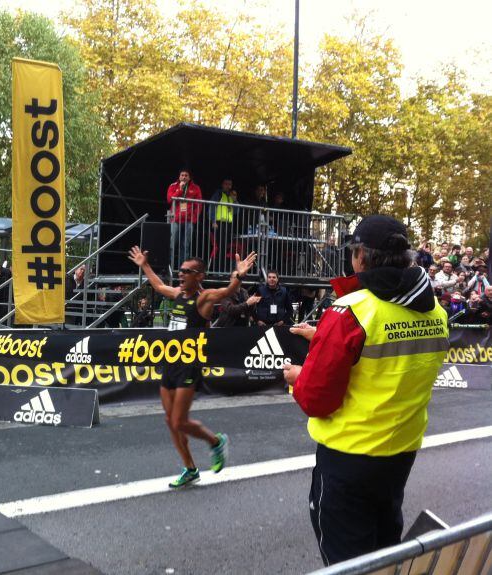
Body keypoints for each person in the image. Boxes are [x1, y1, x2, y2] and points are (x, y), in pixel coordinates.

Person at [283, 215, 448, 566]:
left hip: (349, 458)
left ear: (360, 257)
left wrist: (297, 375)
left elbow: (316, 397)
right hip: (400, 454)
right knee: (386, 551)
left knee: (348, 563)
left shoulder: (351, 311)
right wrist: (325, 339)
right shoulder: (435, 310)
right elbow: (393, 356)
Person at [128, 245, 257, 488]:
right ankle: (190, 468)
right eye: (180, 270)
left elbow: (228, 290)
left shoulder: (203, 298)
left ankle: (216, 442)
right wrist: (144, 265)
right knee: (170, 420)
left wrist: (238, 275)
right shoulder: (178, 294)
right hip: (170, 362)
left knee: (179, 421)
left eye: (187, 271)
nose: (181, 274)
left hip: (189, 365)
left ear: (199, 275)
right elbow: (157, 285)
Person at [167, 169, 202, 268]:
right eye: (182, 175)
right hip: (175, 220)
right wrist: (180, 190)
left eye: (186, 175)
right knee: (172, 245)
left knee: (185, 246)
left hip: (189, 220)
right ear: (179, 177)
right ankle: (169, 268)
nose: (184, 177)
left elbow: (199, 204)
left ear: (189, 177)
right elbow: (170, 199)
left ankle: (183, 269)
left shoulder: (196, 188)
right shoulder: (173, 186)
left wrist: (194, 217)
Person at [208, 178, 237, 272]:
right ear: (222, 185)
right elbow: (212, 207)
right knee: (220, 248)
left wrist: (235, 200)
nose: (228, 186)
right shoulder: (218, 194)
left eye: (230, 184)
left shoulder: (232, 196)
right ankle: (217, 270)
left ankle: (223, 269)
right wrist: (213, 221)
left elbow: (237, 211)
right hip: (218, 224)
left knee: (225, 248)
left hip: (228, 225)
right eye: (226, 184)